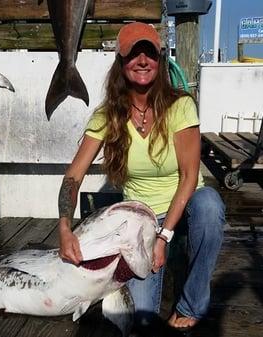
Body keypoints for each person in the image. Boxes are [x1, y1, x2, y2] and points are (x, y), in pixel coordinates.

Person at [56, 22, 225, 330]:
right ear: (121, 63)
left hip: (185, 206)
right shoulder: (106, 116)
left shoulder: (180, 106)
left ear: (160, 62)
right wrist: (65, 228)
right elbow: (73, 177)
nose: (143, 61)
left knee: (210, 204)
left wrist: (164, 236)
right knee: (141, 318)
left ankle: (192, 303)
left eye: (150, 54)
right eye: (134, 55)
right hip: (140, 217)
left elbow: (189, 176)